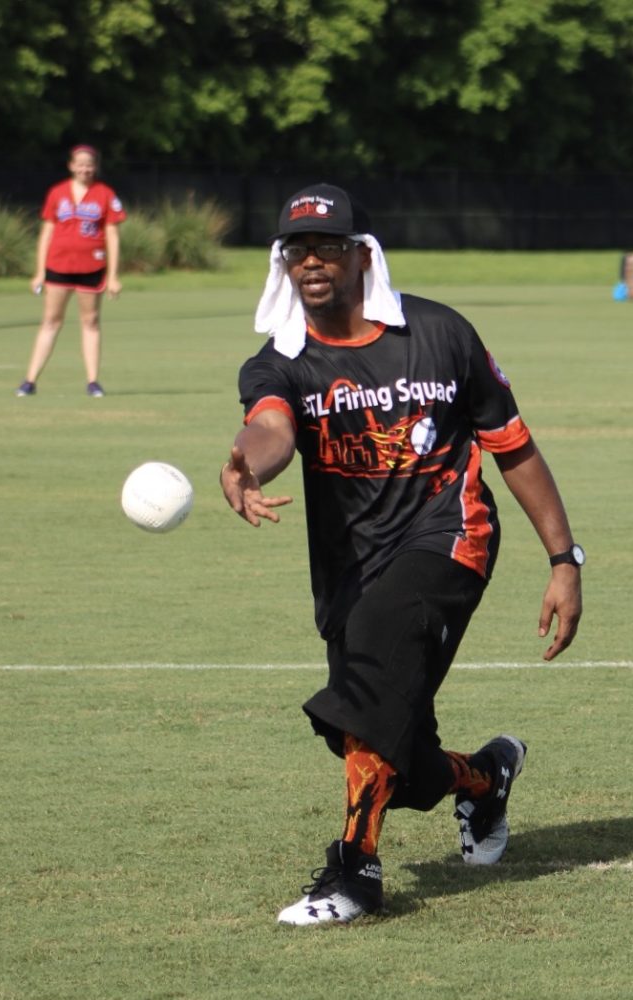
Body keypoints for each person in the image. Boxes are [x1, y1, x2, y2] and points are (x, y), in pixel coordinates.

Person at [221, 184, 584, 926]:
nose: (311, 261)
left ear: (364, 254)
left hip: (449, 538)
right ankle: (484, 778)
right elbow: (272, 427)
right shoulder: (282, 359)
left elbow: (512, 448)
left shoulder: (441, 333)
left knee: (376, 689)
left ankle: (354, 875)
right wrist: (245, 463)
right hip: (351, 568)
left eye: (327, 247)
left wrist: (563, 558)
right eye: (296, 250)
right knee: (397, 752)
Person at [15, 145, 126, 398]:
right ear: (71, 165)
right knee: (51, 321)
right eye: (80, 163)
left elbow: (112, 236)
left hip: (92, 266)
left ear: (95, 166)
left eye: (89, 164)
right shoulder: (57, 193)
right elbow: (46, 233)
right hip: (58, 266)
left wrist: (113, 276)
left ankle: (93, 381)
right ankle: (30, 380)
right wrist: (39, 271)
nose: (85, 168)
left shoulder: (105, 194)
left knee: (90, 321)